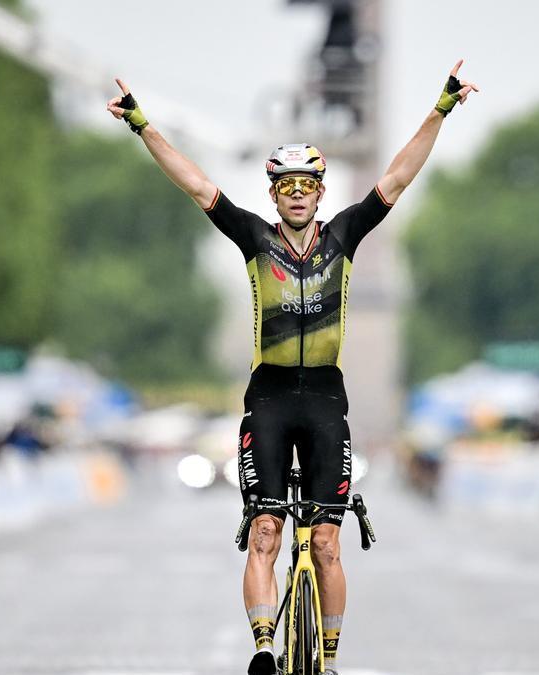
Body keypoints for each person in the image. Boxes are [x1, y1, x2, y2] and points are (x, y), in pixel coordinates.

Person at [108, 61, 478, 675]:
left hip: (327, 400)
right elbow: (198, 185)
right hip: (270, 399)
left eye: (309, 184)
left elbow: (398, 176)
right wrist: (143, 126)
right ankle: (261, 647)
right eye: (287, 186)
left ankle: (327, 659)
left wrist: (439, 109)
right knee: (265, 532)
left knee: (329, 544)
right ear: (274, 194)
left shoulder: (345, 238)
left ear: (322, 192)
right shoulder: (255, 238)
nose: (299, 193)